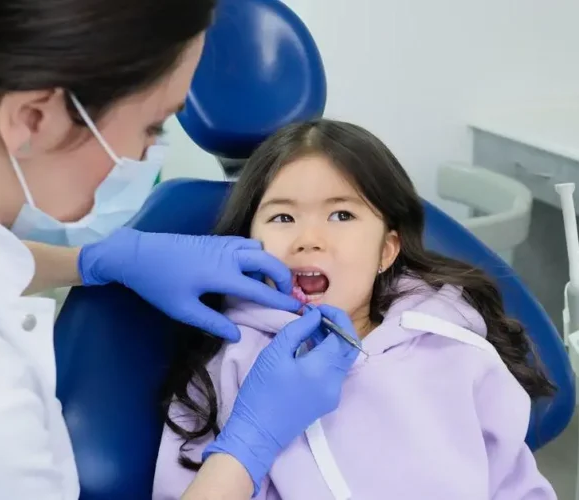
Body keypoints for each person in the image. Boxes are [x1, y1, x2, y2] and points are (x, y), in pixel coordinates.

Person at [0, 1, 360, 499]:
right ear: (34, 118)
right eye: (153, 123)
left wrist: (93, 261)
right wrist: (248, 448)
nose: (149, 151)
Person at [153, 119, 558, 499]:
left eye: (341, 214)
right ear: (248, 245)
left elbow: (515, 485)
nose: (309, 239)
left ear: (386, 250)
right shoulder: (225, 368)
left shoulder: (452, 347)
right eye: (282, 216)